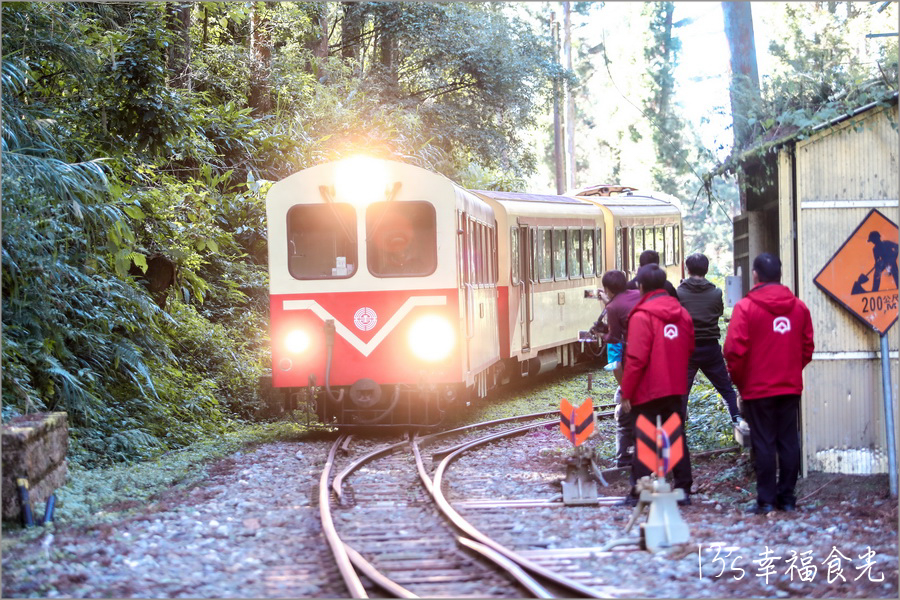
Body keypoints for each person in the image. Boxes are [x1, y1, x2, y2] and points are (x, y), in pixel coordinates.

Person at [724, 253, 814, 515]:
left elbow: (733, 351)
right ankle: (786, 498)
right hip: (789, 386)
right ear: (780, 274)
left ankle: (765, 500)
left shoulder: (746, 308)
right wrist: (791, 370)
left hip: (758, 387)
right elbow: (807, 346)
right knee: (788, 440)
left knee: (764, 442)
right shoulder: (798, 307)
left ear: (755, 275)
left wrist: (741, 382)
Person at [620, 263, 695, 505]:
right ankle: (683, 488)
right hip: (675, 385)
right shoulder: (682, 313)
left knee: (644, 438)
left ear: (641, 287)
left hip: (647, 388)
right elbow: (690, 346)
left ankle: (640, 489)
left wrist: (627, 393)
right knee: (675, 435)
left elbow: (636, 358)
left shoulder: (642, 316)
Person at [676, 253, 748, 435]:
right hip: (710, 347)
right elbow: (718, 312)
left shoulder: (678, 293)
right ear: (706, 270)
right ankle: (738, 419)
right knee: (726, 388)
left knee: (682, 392)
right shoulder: (716, 293)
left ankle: (677, 430)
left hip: (686, 349)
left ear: (687, 269)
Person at [590, 270, 641, 468]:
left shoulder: (613, 307)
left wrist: (602, 334)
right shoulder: (637, 295)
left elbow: (614, 339)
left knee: (624, 411)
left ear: (608, 290)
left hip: (632, 358)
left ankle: (623, 459)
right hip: (649, 355)